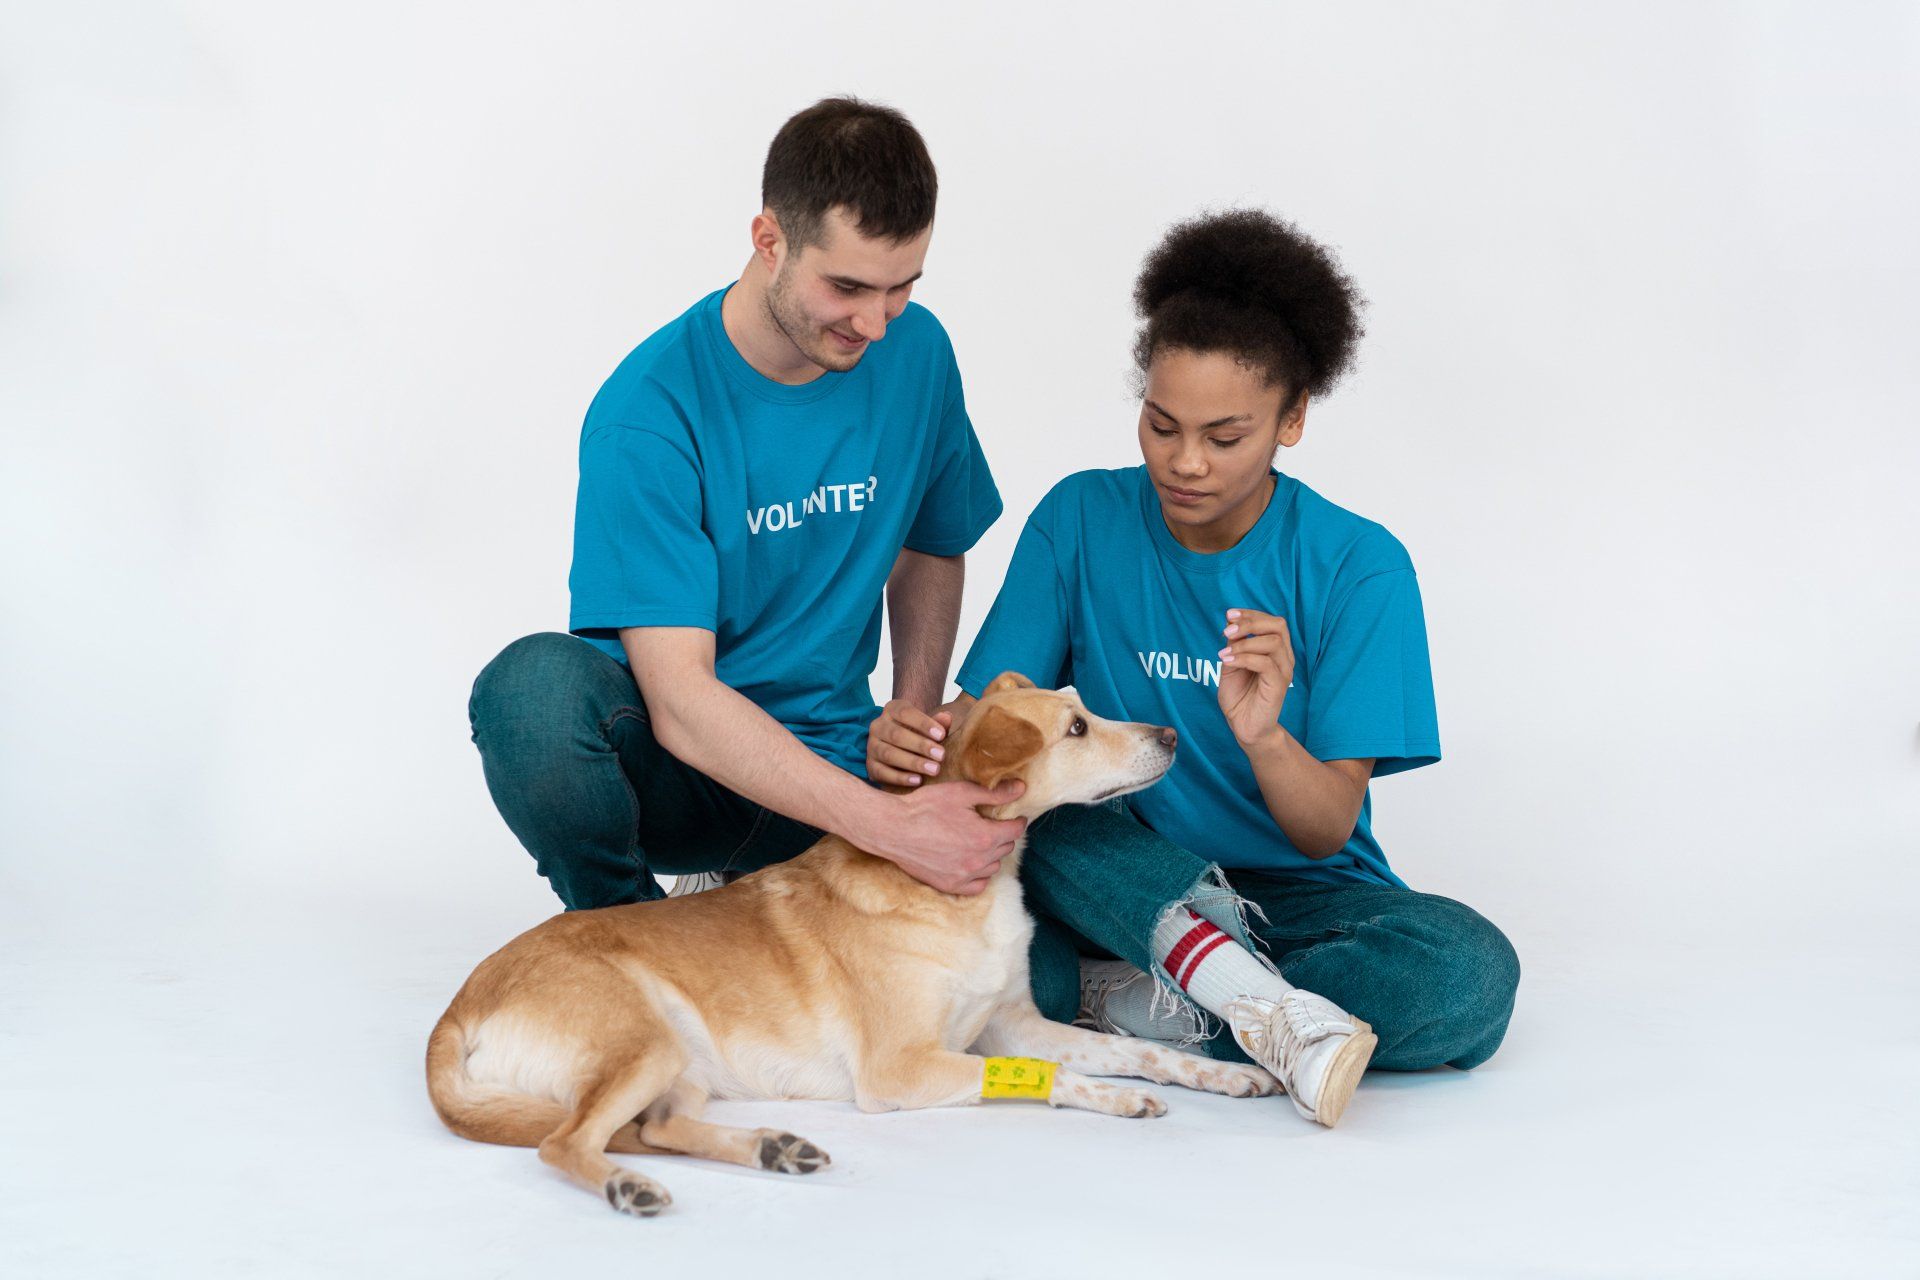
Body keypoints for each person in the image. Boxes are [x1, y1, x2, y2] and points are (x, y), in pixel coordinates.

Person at [866, 210, 1521, 1127]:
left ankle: (1173, 1001)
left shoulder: (1358, 566)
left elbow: (1326, 831)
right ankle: (1266, 1014)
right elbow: (987, 753)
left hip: (1295, 900)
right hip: (1106, 872)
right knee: (1034, 852)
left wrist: (1263, 736)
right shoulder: (1080, 520)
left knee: (1466, 974)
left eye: (1225, 437)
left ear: (1292, 421)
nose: (1184, 463)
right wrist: (908, 736)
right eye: (1161, 423)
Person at [469, 97, 1027, 913]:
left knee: (1036, 976)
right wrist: (890, 828)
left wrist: (910, 722)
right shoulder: (649, 414)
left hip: (838, 766)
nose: (875, 322)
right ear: (769, 241)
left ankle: (752, 894)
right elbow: (683, 704)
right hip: (682, 773)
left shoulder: (921, 353)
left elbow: (934, 541)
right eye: (848, 287)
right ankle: (629, 937)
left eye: (901, 286)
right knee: (532, 694)